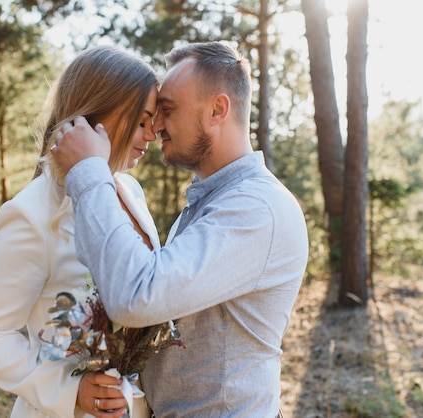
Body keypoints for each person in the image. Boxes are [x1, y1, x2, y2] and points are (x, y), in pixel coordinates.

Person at [51, 41, 309, 417]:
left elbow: (138, 296)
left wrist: (89, 172)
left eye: (167, 110)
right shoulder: (211, 201)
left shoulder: (257, 209)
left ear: (217, 110)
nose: (155, 127)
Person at [0, 45, 160, 418]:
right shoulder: (29, 215)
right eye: (141, 120)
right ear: (98, 113)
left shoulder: (129, 191)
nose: (152, 135)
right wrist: (70, 390)